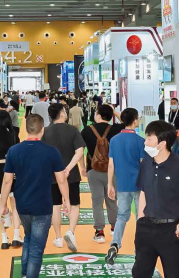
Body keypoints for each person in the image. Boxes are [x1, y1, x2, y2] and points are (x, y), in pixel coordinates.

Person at [131, 119, 179, 278]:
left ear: (162, 143)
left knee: (173, 274)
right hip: (146, 228)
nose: (145, 142)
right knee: (140, 273)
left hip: (172, 231)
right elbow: (143, 191)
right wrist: (141, 219)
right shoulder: (146, 163)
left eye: (149, 138)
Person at [0, 115, 68, 278]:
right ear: (42, 130)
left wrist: (3, 204)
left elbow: (7, 181)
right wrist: (67, 200)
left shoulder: (14, 150)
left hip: (22, 205)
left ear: (26, 129)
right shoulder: (51, 151)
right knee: (36, 249)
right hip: (43, 206)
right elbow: (61, 179)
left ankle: (24, 273)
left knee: (29, 239)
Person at [40, 102, 85, 252]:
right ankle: (70, 232)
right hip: (71, 175)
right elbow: (80, 152)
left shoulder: (45, 131)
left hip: (51, 175)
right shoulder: (73, 130)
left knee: (55, 206)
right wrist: (68, 168)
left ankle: (58, 237)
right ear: (61, 114)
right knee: (74, 204)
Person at [105, 107, 145, 264]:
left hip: (122, 184)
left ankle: (115, 244)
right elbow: (143, 164)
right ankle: (139, 249)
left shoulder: (114, 140)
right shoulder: (140, 141)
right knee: (141, 217)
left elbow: (111, 164)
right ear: (134, 121)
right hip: (139, 185)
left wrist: (110, 184)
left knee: (122, 216)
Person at [81, 104, 122, 244]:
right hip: (112, 170)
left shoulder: (87, 130)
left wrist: (82, 167)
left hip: (93, 169)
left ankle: (99, 232)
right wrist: (114, 112)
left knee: (96, 201)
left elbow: (80, 150)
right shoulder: (116, 129)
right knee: (112, 199)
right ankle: (115, 228)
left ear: (98, 115)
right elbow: (127, 122)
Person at [0, 110, 22, 249]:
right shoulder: (13, 135)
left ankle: (4, 239)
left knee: (1, 206)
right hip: (12, 171)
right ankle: (16, 236)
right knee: (15, 205)